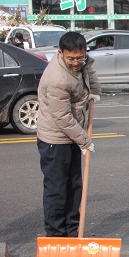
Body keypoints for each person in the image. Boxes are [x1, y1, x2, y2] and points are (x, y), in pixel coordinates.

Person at [36, 31, 101, 237]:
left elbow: (89, 70)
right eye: (71, 58)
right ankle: (56, 234)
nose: (76, 63)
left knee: (74, 185)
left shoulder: (83, 62)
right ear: (60, 53)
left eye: (79, 58)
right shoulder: (57, 79)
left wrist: (95, 91)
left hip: (72, 135)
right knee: (57, 189)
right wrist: (84, 141)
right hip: (55, 139)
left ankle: (73, 230)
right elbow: (62, 117)